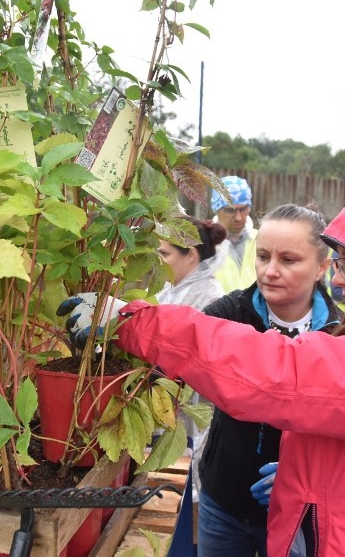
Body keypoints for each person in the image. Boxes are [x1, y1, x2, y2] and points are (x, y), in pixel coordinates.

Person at [60, 178, 345, 556]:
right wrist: (308, 472)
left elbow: (288, 376)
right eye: (341, 262)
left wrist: (138, 322)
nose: (339, 279)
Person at [196, 204, 340, 557]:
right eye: (262, 256)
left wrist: (305, 470)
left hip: (299, 510)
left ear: (322, 266)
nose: (270, 271)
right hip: (223, 502)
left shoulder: (341, 336)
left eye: (289, 260)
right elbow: (180, 340)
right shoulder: (228, 315)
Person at [155, 215, 227, 512]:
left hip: (191, 417)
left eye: (164, 254)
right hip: (170, 413)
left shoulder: (210, 299)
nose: (158, 261)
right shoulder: (173, 289)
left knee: (184, 504)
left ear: (191, 255)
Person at [210, 175, 257, 292]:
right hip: (217, 310)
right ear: (217, 209)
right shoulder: (204, 243)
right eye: (230, 210)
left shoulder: (261, 240)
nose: (238, 218)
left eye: (244, 209)